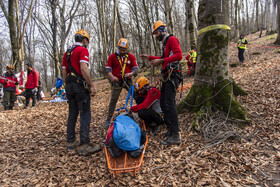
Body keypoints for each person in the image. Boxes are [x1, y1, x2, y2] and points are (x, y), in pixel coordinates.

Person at [140, 20, 183, 145]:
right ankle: (170, 130)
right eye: (154, 34)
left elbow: (179, 55)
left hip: (173, 75)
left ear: (163, 30)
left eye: (156, 33)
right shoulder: (165, 43)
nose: (156, 36)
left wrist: (162, 60)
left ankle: (175, 135)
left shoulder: (172, 39)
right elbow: (163, 58)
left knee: (169, 104)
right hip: (167, 76)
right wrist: (150, 58)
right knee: (164, 103)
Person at [62, 29, 100, 155]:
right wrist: (91, 85)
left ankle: (71, 143)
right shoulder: (82, 50)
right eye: (87, 41)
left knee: (72, 114)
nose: (87, 43)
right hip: (80, 86)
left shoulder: (67, 52)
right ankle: (84, 145)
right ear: (84, 40)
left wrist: (66, 84)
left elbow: (64, 72)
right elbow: (84, 68)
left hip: (69, 86)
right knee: (85, 114)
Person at [104, 38, 139, 128]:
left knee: (136, 95)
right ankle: (108, 119)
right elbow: (108, 69)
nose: (122, 51)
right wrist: (112, 77)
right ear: (118, 47)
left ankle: (142, 113)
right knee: (113, 100)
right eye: (121, 49)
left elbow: (135, 68)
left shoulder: (130, 56)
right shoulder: (112, 57)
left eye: (124, 50)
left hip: (128, 80)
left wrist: (131, 73)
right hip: (117, 81)